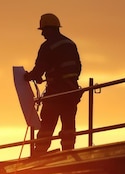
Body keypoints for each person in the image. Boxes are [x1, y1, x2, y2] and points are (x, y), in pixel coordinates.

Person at [24, 13, 82, 156]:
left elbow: (39, 70)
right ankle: (68, 152)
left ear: (50, 29)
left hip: (55, 93)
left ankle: (40, 153)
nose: (42, 34)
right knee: (69, 125)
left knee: (47, 125)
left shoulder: (48, 46)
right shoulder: (70, 43)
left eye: (43, 30)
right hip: (71, 92)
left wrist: (28, 76)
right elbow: (77, 67)